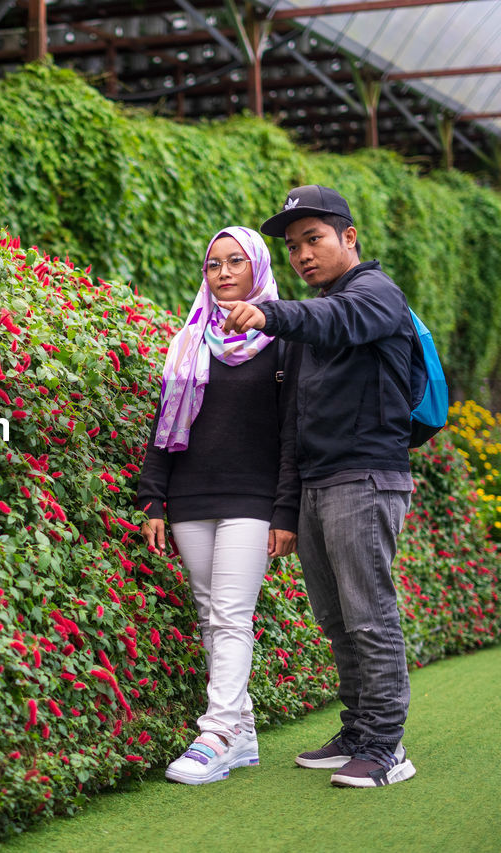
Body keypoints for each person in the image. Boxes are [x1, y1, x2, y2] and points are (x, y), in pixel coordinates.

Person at [215, 185, 418, 788]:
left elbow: (337, 319)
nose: (303, 254)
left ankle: (386, 745)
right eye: (295, 245)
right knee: (336, 618)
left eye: (315, 239)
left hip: (366, 477)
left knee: (369, 615)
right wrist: (287, 504)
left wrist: (272, 313)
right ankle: (359, 728)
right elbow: (293, 424)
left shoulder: (375, 295)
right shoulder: (314, 321)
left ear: (348, 238)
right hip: (317, 486)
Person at [136, 226, 300, 786]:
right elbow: (164, 429)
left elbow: (291, 437)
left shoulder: (283, 338)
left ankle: (217, 734)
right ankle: (243, 729)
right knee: (212, 618)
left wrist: (285, 510)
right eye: (213, 265)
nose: (224, 272)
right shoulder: (186, 341)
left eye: (236, 262)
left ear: (258, 267)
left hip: (252, 501)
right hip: (189, 498)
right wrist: (153, 498)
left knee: (231, 616)